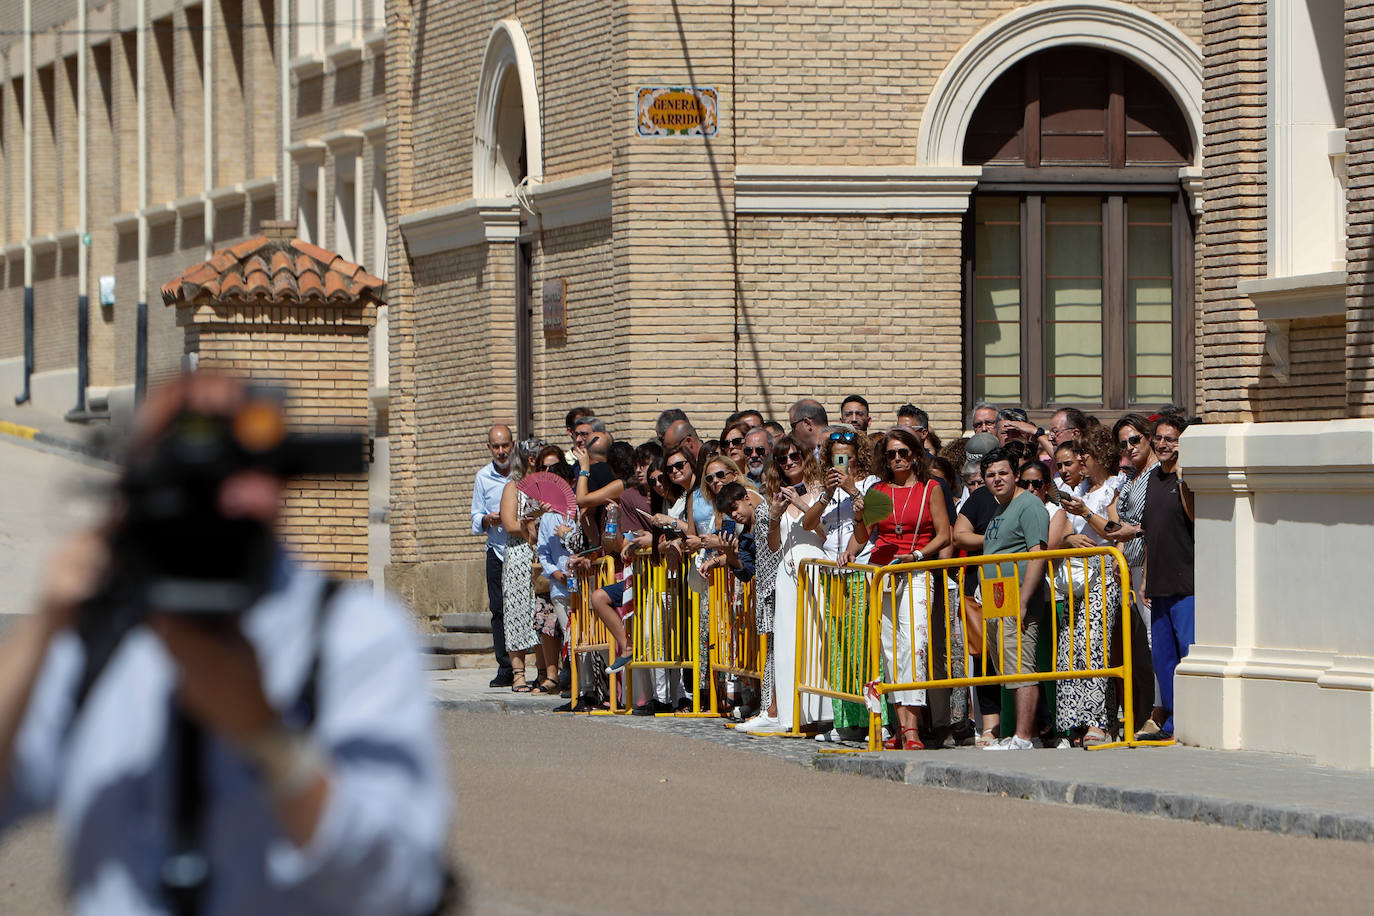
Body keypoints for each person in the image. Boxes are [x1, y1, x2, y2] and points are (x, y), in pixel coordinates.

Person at [0, 373, 450, 913]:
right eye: (184, 468)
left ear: (280, 474)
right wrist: (44, 623)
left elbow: (400, 884)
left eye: (232, 463)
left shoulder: (351, 634)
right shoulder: (99, 629)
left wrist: (269, 740)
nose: (214, 495)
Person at [846, 426, 951, 751]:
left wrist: (918, 554)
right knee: (889, 649)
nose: (897, 459)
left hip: (916, 568)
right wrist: (855, 534)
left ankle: (913, 727)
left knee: (915, 646)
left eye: (903, 452)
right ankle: (897, 724)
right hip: (882, 568)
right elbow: (865, 534)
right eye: (890, 454)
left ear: (915, 454)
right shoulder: (879, 489)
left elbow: (944, 534)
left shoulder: (930, 488)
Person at [740, 435, 826, 734]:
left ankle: (818, 711)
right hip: (787, 572)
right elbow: (774, 545)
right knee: (787, 643)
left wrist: (802, 504)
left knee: (816, 639)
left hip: (816, 566)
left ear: (805, 456)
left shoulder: (821, 491)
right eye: (782, 459)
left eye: (795, 456)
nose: (789, 462)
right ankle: (789, 714)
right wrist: (775, 516)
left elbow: (825, 534)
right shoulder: (777, 494)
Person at [1050, 428, 1123, 746]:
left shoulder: (1112, 488)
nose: (1080, 460)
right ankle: (1074, 720)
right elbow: (1065, 532)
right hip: (1075, 577)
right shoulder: (1080, 489)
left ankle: (1099, 722)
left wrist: (1087, 515)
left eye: (1085, 454)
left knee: (1096, 648)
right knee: (1070, 648)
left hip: (1102, 575)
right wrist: (1070, 537)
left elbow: (1116, 530)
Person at [979, 446, 1052, 750]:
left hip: (1018, 596)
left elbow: (1038, 554)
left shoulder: (1029, 506)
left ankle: (1023, 737)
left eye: (1003, 473)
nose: (997, 479)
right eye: (990, 475)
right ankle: (1027, 734)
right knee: (1008, 666)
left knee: (1021, 665)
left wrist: (1023, 599)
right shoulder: (999, 509)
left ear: (1016, 475)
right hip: (998, 595)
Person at [1139, 413, 1195, 740]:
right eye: (1158, 438)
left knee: (1187, 653)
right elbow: (1149, 533)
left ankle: (1190, 720)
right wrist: (1145, 577)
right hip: (1158, 583)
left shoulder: (1185, 479)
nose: (1162, 444)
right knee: (1163, 660)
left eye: (1170, 439)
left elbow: (1193, 517)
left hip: (1186, 583)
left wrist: (1184, 477)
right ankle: (1172, 722)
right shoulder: (1151, 479)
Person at [499, 437, 548, 693]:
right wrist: (530, 525)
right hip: (520, 555)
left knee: (539, 612)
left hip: (543, 553)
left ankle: (544, 672)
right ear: (530, 460)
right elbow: (508, 523)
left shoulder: (548, 486)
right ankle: (519, 673)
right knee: (517, 612)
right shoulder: (513, 488)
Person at [471, 423, 515, 687]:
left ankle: (539, 667)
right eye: (496, 446)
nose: (501, 451)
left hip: (522, 548)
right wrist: (488, 519)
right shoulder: (483, 477)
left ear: (512, 445)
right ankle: (505, 666)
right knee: (498, 609)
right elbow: (475, 516)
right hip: (496, 550)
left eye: (505, 445)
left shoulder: (522, 474)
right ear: (489, 447)